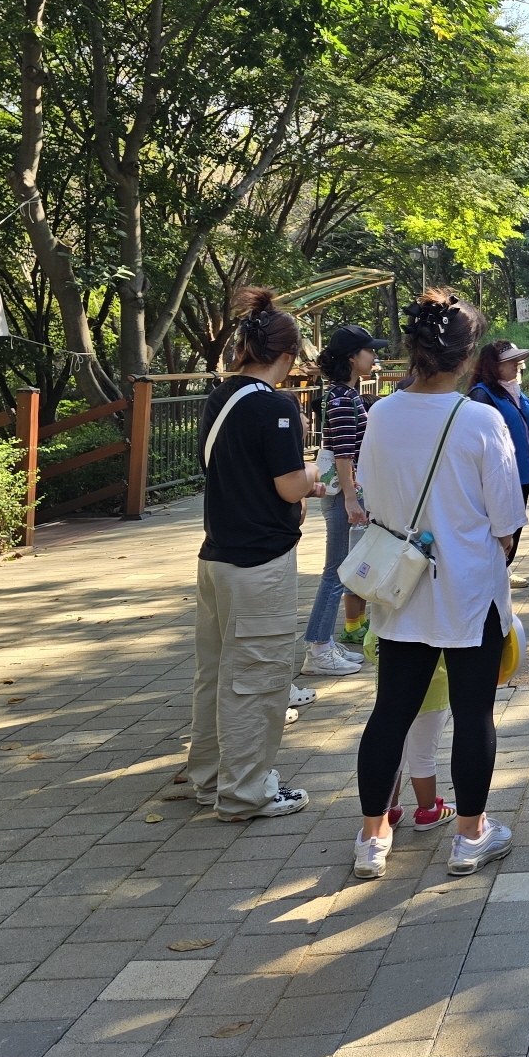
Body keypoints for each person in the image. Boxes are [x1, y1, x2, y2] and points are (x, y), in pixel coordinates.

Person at [350, 290, 527, 881]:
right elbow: (507, 521)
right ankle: (470, 834)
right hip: (469, 593)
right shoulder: (480, 419)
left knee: (389, 714)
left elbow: (373, 499)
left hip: (400, 589)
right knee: (473, 714)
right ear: (468, 355)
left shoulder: (380, 414)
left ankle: (374, 836)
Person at [190, 287, 319, 822]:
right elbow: (290, 486)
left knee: (216, 673)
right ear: (287, 357)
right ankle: (246, 792)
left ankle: (209, 780)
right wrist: (315, 475)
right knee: (258, 678)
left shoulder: (222, 396)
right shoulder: (275, 406)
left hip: (216, 554)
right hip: (258, 563)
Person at [305, 324, 384, 677]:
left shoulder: (346, 394)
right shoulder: (340, 397)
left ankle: (324, 643)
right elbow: (342, 453)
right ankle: (318, 649)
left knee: (339, 570)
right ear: (353, 357)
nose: (375, 356)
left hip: (347, 493)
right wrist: (352, 500)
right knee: (335, 572)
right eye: (369, 350)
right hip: (342, 496)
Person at [363, 630, 458, 832]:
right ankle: (428, 809)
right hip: (432, 700)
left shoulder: (384, 623)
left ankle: (389, 809)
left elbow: (370, 650)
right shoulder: (435, 622)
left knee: (393, 754)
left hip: (393, 702)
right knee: (423, 757)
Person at [469, 339, 529, 586]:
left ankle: (503, 571)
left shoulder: (513, 391)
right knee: (500, 524)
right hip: (499, 474)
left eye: (518, 360)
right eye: (511, 360)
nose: (518, 365)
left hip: (522, 470)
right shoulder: (481, 395)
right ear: (493, 365)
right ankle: (493, 574)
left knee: (515, 522)